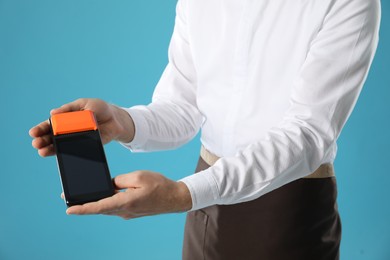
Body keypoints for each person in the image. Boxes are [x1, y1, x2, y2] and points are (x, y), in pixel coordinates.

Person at [30, 0, 381, 259]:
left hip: (286, 211)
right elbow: (183, 106)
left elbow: (308, 134)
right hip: (204, 203)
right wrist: (124, 122)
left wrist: (185, 194)